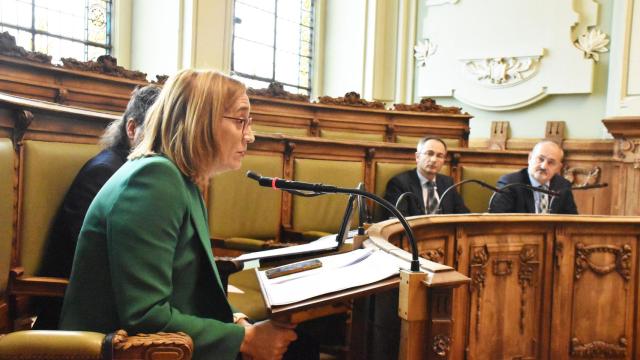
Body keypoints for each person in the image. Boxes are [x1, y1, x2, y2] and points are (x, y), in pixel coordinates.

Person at [59, 70, 299, 360]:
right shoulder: (153, 179)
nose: (250, 134)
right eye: (240, 120)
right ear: (201, 121)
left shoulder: (179, 179)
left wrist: (236, 320)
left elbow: (187, 286)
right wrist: (246, 340)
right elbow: (145, 317)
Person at [33, 84, 161, 330]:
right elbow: (91, 260)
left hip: (118, 297)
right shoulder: (104, 172)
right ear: (132, 128)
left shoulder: (137, 171)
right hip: (78, 311)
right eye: (159, 131)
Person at [383, 136, 469, 217]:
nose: (434, 160)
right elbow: (398, 221)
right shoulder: (399, 184)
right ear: (417, 157)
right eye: (429, 153)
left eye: (439, 156)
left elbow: (464, 215)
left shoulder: (448, 183)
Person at [489, 140, 578, 214]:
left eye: (551, 162)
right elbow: (497, 221)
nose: (544, 166)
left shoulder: (563, 186)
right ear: (530, 158)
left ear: (558, 168)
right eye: (540, 159)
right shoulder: (510, 184)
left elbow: (572, 222)